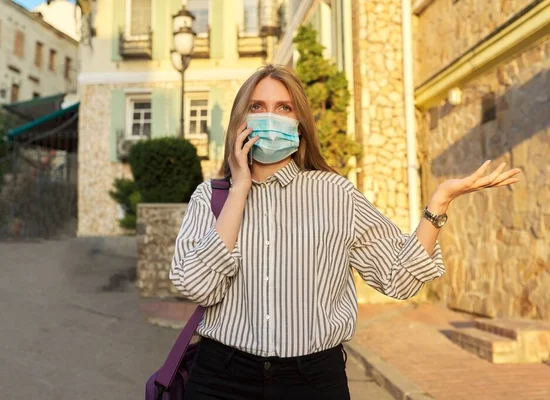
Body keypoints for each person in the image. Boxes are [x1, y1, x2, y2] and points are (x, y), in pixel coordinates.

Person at [170, 65, 520, 400]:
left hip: (313, 381)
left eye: (284, 107)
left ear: (300, 123)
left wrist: (439, 204)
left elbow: (398, 278)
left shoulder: (336, 194)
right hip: (220, 378)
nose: (270, 117)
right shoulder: (211, 197)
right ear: (240, 122)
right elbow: (198, 287)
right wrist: (240, 187)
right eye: (257, 106)